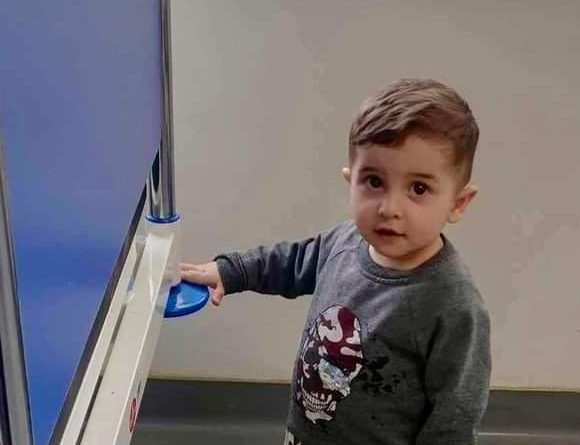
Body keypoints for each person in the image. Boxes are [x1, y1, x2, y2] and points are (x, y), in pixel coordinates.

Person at [181, 78, 491, 444]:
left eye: (418, 188)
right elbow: (290, 262)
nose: (389, 208)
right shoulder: (343, 242)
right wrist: (231, 270)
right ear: (350, 180)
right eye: (374, 181)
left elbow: (455, 413)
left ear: (458, 203)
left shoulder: (453, 305)